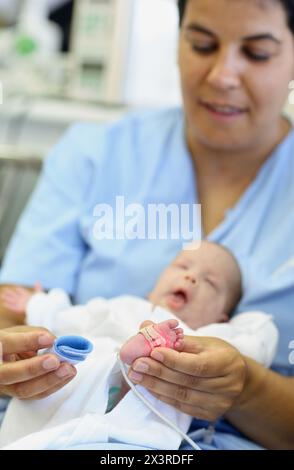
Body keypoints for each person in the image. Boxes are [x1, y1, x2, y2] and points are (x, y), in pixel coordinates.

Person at [1, 0, 294, 449]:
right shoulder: (96, 154)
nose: (222, 75)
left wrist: (246, 390)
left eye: (256, 53)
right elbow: (13, 308)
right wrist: (17, 359)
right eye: (201, 44)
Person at [0, 242, 278, 449]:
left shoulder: (212, 336)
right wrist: (38, 305)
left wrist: (258, 325)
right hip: (75, 396)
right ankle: (130, 351)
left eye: (210, 282)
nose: (191, 277)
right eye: (183, 267)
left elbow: (251, 348)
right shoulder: (123, 306)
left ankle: (150, 348)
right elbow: (74, 316)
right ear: (152, 290)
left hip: (139, 428)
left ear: (222, 316)